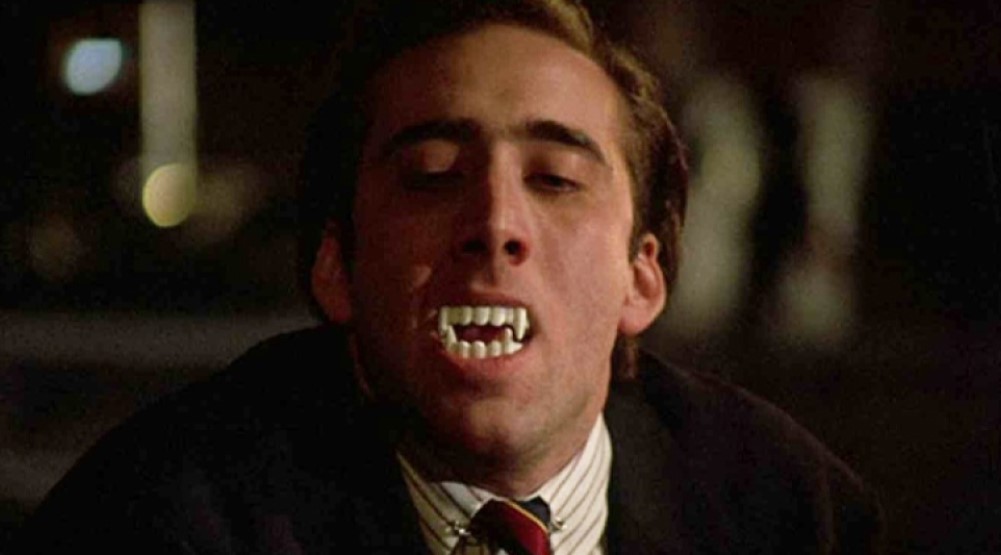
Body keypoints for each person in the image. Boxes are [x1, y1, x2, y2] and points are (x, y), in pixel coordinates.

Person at [15, 0, 883, 553]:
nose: (496, 223)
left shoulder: (791, 513)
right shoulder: (160, 517)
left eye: (555, 179)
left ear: (640, 276)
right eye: (431, 176)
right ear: (336, 265)